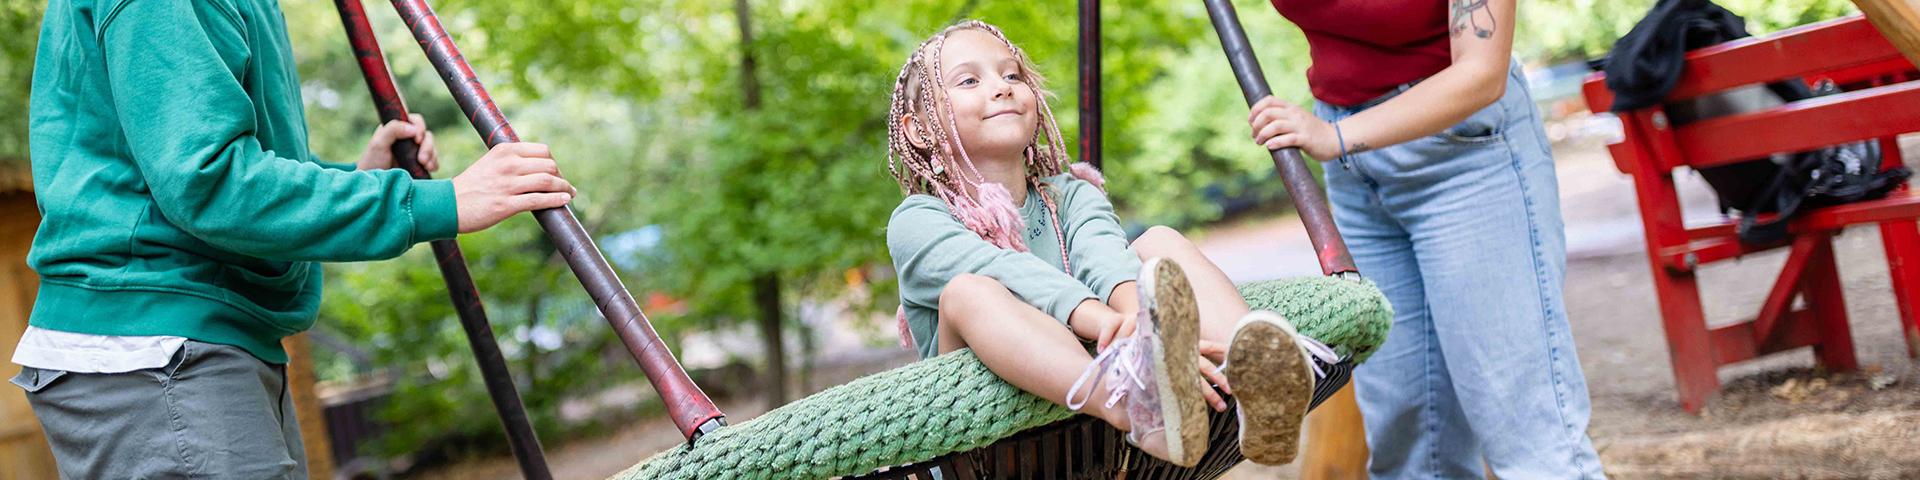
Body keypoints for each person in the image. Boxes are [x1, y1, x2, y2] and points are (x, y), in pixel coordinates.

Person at [10, 1, 576, 477]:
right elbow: (211, 184)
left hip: (199, 342)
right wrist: (440, 202)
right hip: (155, 352)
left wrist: (355, 178)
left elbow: (206, 169)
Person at [885, 20, 1350, 466]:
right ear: (918, 129)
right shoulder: (918, 221)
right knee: (971, 291)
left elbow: (1105, 259)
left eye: (1012, 74)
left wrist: (1144, 330)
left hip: (1093, 433)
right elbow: (1008, 271)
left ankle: (1256, 383)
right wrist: (1122, 331)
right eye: (968, 81)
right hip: (990, 448)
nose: (1002, 86)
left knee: (1159, 242)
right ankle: (1134, 405)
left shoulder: (1071, 194)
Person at [1245, 0, 1605, 477]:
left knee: (1523, 424)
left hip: (1464, 155)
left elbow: (1481, 74)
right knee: (1408, 433)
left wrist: (1337, 136)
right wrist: (1337, 137)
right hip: (1355, 170)